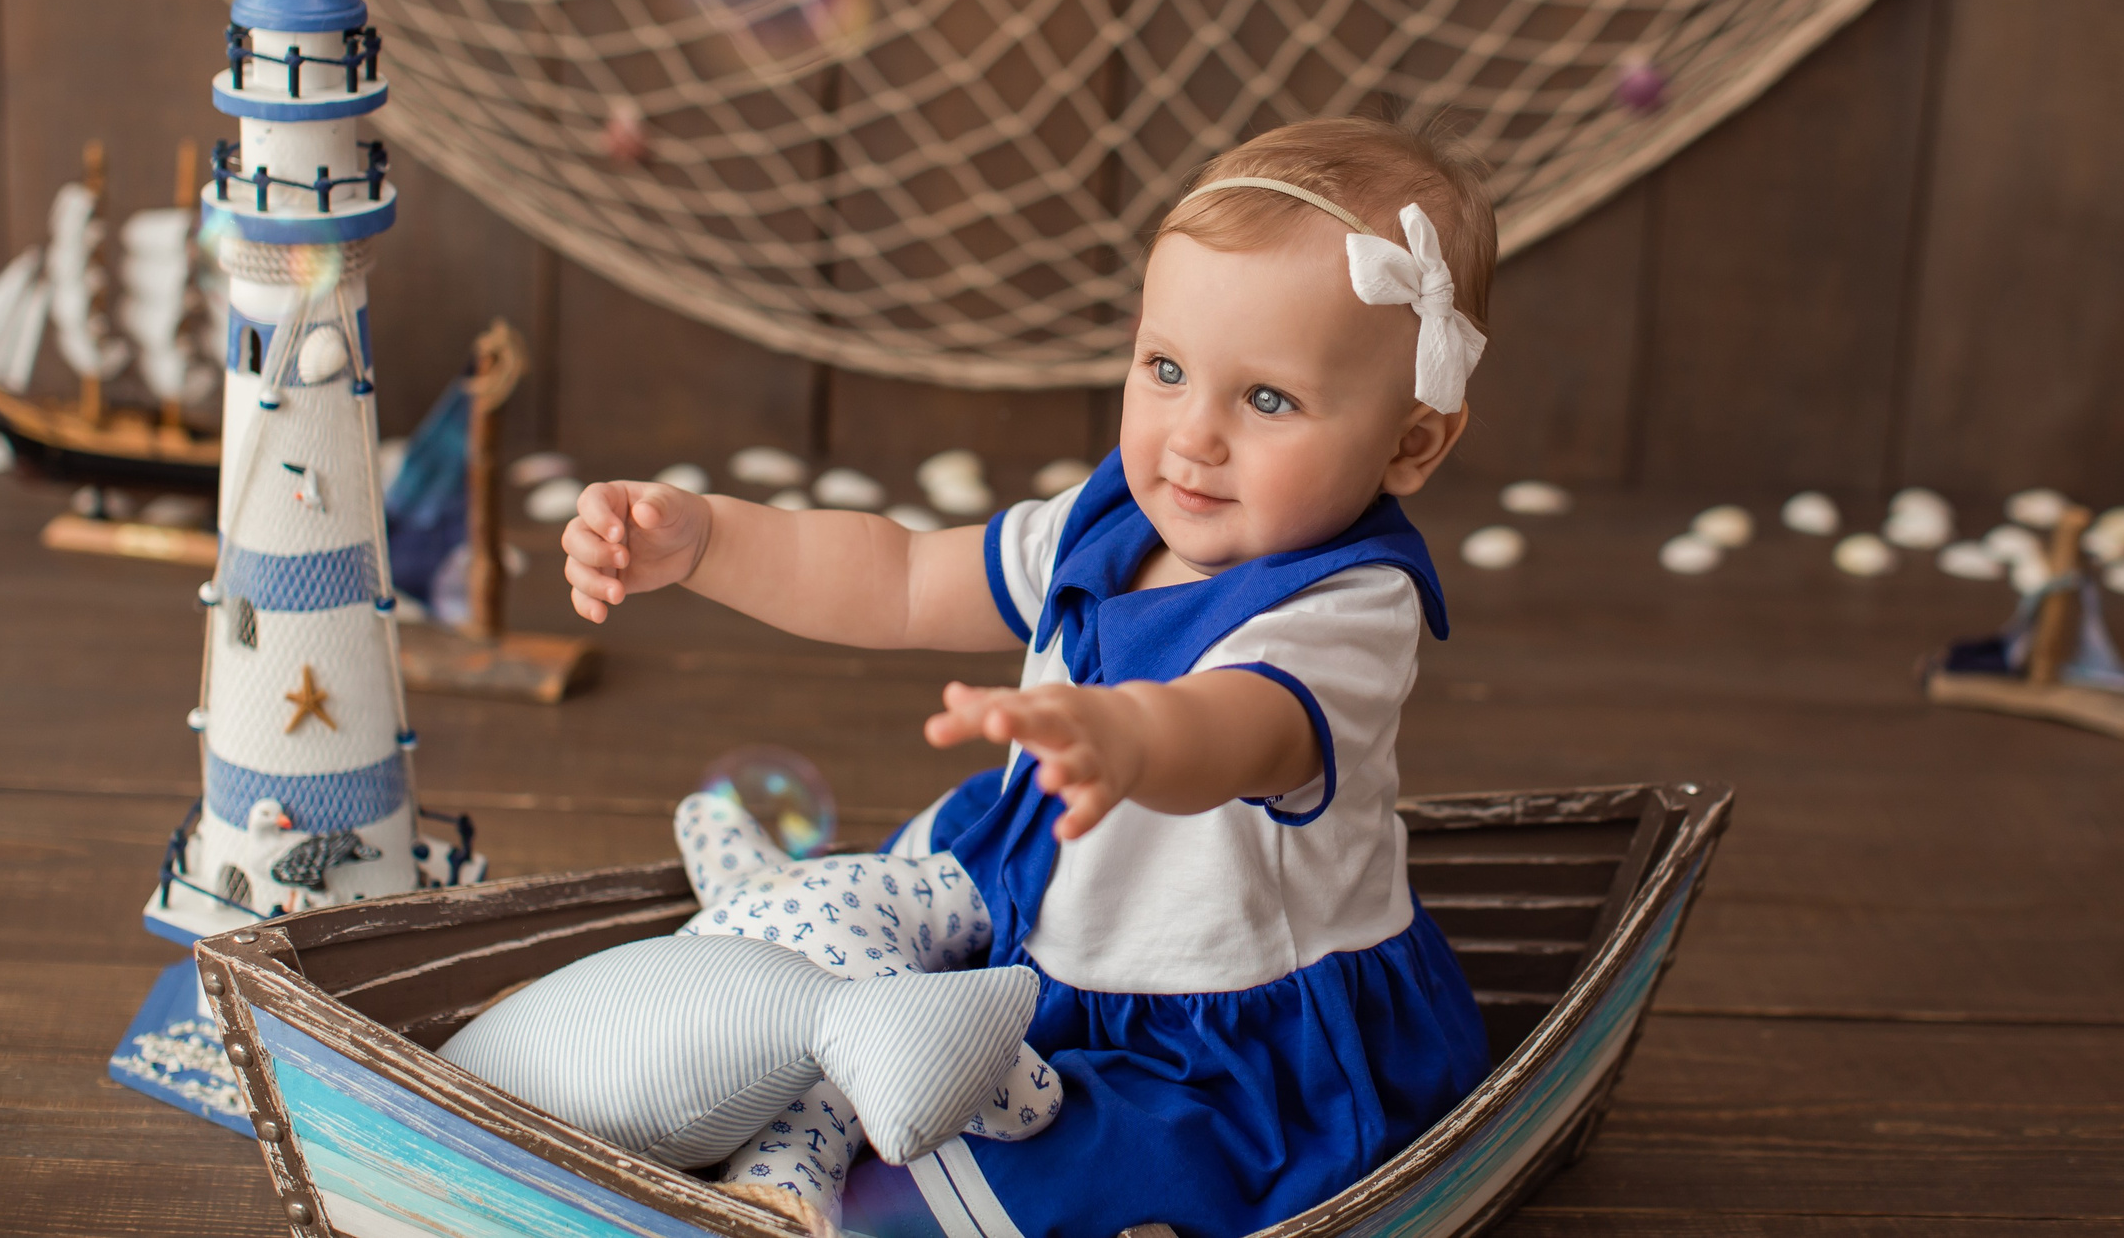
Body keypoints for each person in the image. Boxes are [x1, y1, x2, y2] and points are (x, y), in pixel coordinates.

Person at [561, 118, 1495, 1238]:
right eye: (1165, 370)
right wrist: (708, 542)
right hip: (1029, 903)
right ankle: (734, 1093)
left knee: (979, 1190)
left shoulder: (1346, 604)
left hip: (1210, 1026)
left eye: (1266, 401)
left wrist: (1128, 739)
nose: (1190, 437)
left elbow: (1241, 728)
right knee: (821, 992)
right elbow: (899, 575)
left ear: (1412, 444)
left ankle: (825, 1182)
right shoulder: (1110, 515)